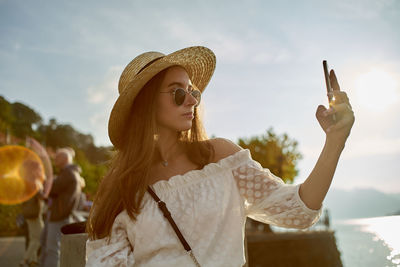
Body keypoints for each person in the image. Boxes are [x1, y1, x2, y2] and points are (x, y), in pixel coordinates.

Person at [85, 46, 355, 266]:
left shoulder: (221, 158)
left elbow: (297, 212)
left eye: (192, 91)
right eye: (178, 92)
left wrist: (334, 142)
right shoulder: (119, 187)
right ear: (146, 104)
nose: (191, 100)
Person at [42, 148, 82, 267]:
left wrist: (43, 181)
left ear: (65, 159)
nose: (54, 160)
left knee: (52, 250)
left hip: (59, 216)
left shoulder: (68, 173)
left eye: (57, 157)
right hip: (59, 215)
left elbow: (51, 189)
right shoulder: (69, 173)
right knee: (48, 247)